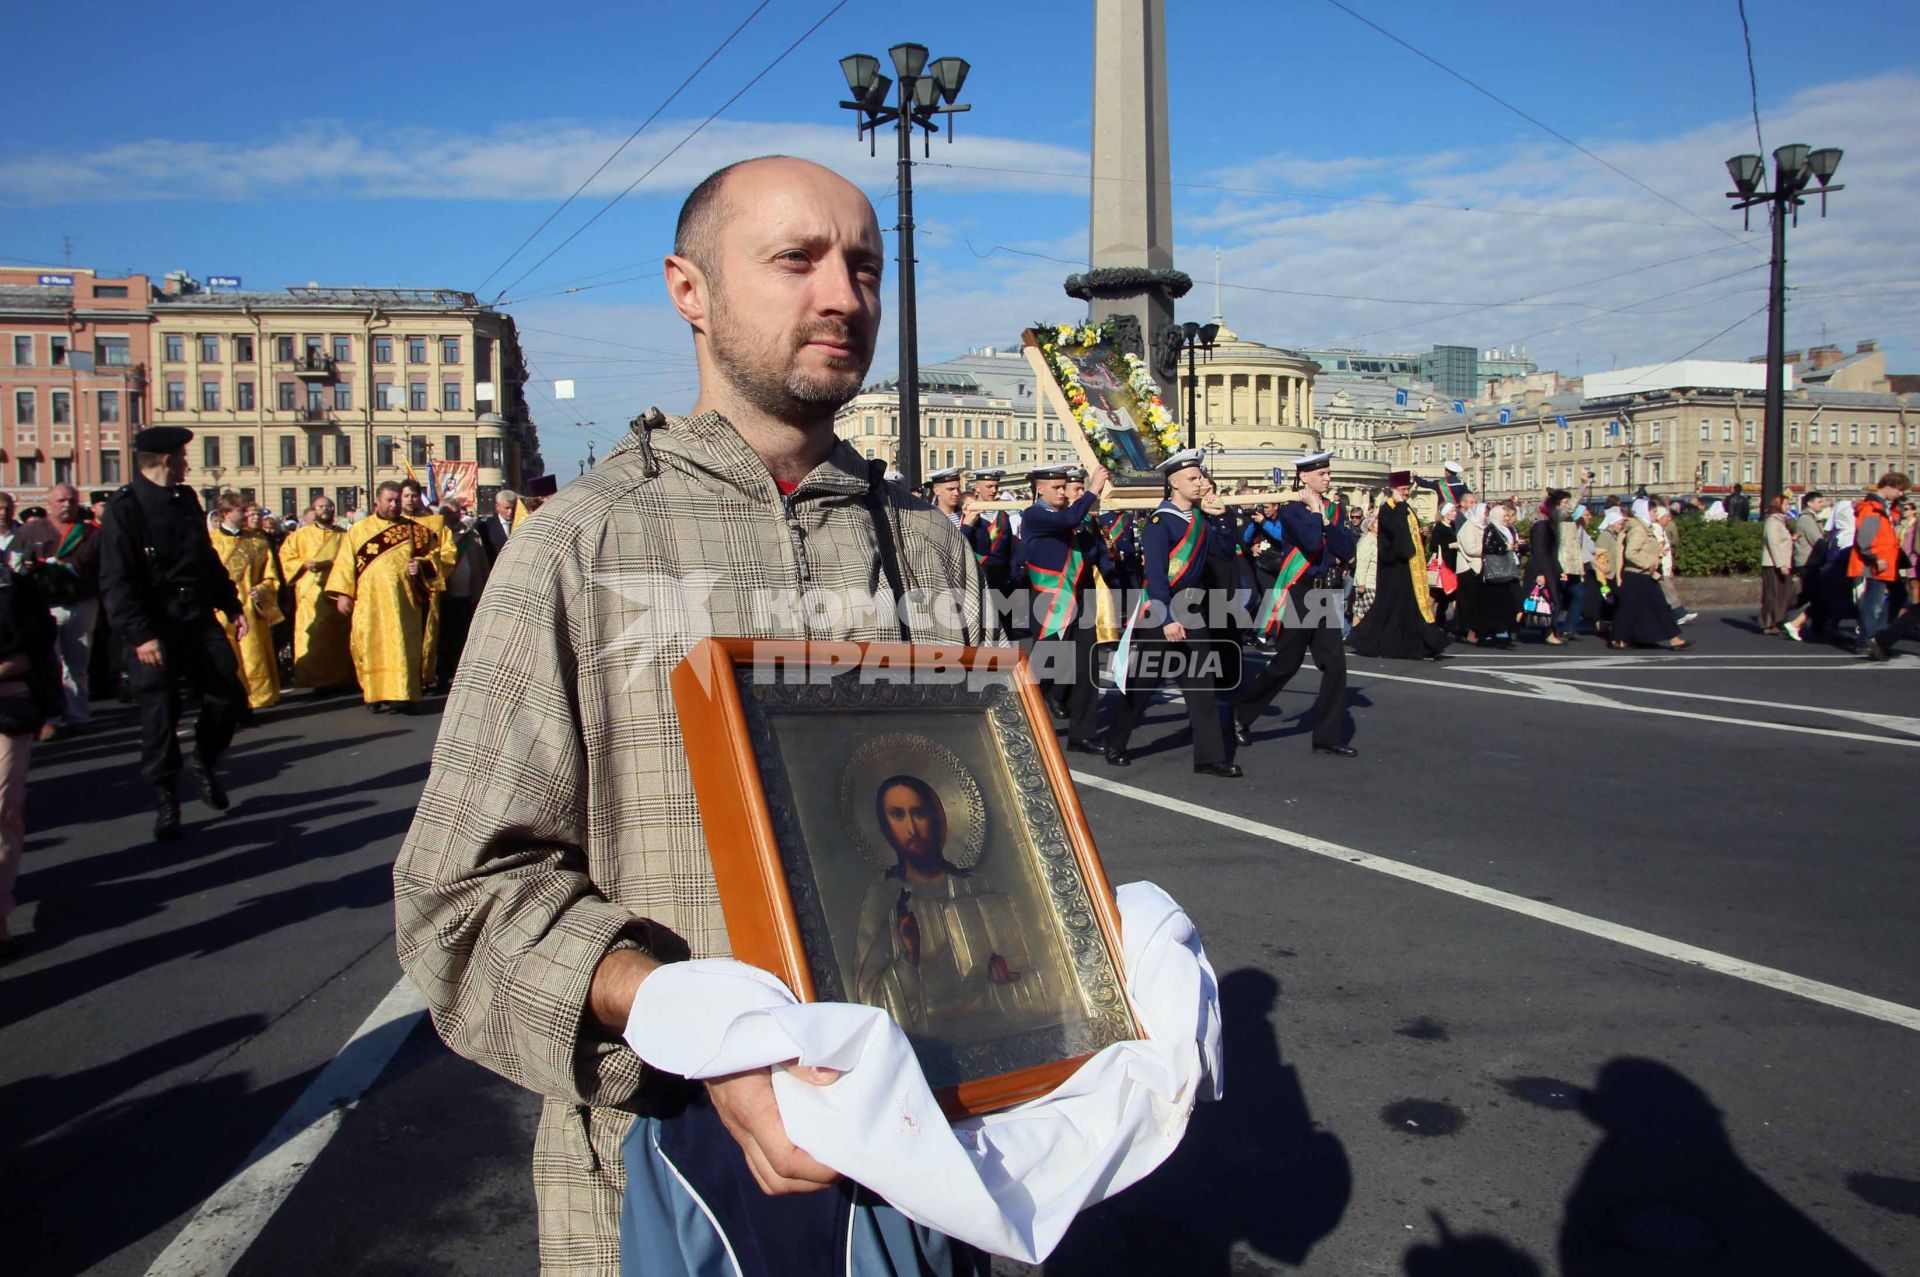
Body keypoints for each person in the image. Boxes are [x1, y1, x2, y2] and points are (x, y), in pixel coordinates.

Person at [392, 156, 995, 1275]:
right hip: (666, 1171)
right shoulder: (581, 544)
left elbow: (990, 840)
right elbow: (462, 900)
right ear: (689, 289)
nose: (844, 296)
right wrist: (685, 1019)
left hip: (918, 1160)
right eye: (795, 259)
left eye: (862, 265)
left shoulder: (928, 540)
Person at [98, 426, 248, 838]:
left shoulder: (186, 500)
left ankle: (203, 758)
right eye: (182, 457)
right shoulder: (124, 508)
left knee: (228, 695)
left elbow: (205, 558)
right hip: (154, 626)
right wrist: (140, 635)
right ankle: (166, 800)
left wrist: (230, 604)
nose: (186, 463)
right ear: (167, 460)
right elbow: (117, 580)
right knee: (161, 716)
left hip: (196, 616)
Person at [852, 774, 1035, 1034]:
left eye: (919, 813)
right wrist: (910, 955)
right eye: (897, 815)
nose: (911, 829)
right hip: (928, 1040)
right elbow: (869, 1000)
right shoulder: (884, 897)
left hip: (994, 1027)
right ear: (885, 826)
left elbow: (1032, 972)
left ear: (937, 817)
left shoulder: (975, 887)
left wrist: (1004, 978)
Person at [1102, 449, 1240, 776]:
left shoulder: (1201, 519)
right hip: (1164, 611)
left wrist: (1221, 517)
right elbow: (1156, 577)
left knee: (1201, 685)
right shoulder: (1159, 522)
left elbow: (1223, 553)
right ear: (1174, 483)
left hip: (1193, 609)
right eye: (1193, 478)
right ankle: (1115, 740)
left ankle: (1210, 758)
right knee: (1144, 684)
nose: (1200, 483)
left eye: (1201, 476)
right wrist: (1167, 619)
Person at [1232, 451, 1358, 757]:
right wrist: (1317, 516)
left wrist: (1326, 520)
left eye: (1329, 473)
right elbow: (1313, 544)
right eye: (1322, 474)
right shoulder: (1293, 511)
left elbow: (1346, 548)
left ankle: (1327, 737)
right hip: (1301, 593)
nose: (1328, 478)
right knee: (1286, 664)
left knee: (1336, 666)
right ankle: (1241, 715)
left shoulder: (1334, 509)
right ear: (1304, 477)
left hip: (1325, 593)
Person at [1019, 462, 1112, 749]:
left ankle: (1082, 733)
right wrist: (1094, 490)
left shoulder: (1076, 517)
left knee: (1087, 668)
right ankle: (1016, 717)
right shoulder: (1034, 515)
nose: (1062, 492)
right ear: (1040, 489)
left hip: (1079, 595)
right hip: (1050, 600)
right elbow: (1066, 523)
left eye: (1064, 487)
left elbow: (1092, 551)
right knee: (1048, 664)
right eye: (1056, 488)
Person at [0, 550, 60, 955]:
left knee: (3, 808)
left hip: (7, 708)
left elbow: (34, 651)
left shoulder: (16, 588)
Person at [327, 481, 431, 714]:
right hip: (369, 602)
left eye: (397, 500)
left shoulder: (415, 530)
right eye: (389, 500)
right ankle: (374, 693)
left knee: (404, 647)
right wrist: (344, 594)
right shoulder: (358, 530)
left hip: (404, 602)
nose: (395, 505)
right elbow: (345, 565)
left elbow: (435, 558)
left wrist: (422, 566)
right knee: (370, 645)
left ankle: (404, 694)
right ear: (377, 502)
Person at [15, 483, 103, 735]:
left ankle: (78, 715)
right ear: (50, 503)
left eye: (71, 501)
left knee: (78, 663)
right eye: (61, 500)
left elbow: (103, 568)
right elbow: (15, 564)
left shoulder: (90, 533)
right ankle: (54, 714)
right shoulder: (32, 530)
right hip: (44, 607)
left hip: (82, 603)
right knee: (51, 663)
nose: (67, 505)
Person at [1347, 471, 1450, 659]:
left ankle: (1414, 644)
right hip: (1396, 568)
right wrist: (1401, 507)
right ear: (1393, 490)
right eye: (1402, 489)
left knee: (1406, 608)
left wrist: (1420, 534)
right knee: (1391, 608)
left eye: (1407, 489)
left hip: (1409, 567)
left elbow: (1408, 534)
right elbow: (1397, 534)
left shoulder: (1405, 507)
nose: (1406, 493)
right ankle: (1371, 640)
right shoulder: (1388, 509)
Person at [211, 491, 284, 710]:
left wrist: (262, 590)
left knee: (253, 655)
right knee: (226, 659)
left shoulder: (258, 541)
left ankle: (256, 697)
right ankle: (231, 701)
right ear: (226, 513)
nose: (246, 515)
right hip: (220, 611)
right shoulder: (211, 541)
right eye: (241, 510)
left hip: (251, 610)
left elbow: (272, 576)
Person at [279, 495, 355, 690]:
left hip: (337, 591)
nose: (325, 510)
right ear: (314, 510)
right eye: (321, 507)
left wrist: (330, 565)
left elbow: (352, 561)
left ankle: (341, 677)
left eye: (329, 507)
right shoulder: (300, 536)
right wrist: (303, 564)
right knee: (314, 636)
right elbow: (286, 559)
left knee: (337, 638)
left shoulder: (345, 536)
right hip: (309, 593)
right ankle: (314, 680)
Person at [1607, 500, 1690, 650]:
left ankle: (1672, 638)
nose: (1655, 515)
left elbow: (1644, 550)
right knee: (1637, 608)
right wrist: (1648, 563)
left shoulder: (1645, 528)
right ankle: (1619, 638)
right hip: (1637, 575)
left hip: (1644, 575)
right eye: (1653, 512)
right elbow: (1631, 553)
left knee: (1651, 607)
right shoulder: (1639, 530)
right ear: (1645, 512)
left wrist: (1657, 555)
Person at [398, 479, 457, 691]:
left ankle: (425, 675)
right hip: (398, 589)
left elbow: (448, 554)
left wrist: (423, 565)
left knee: (427, 632)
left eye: (414, 496)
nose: (410, 500)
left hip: (426, 587)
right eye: (406, 496)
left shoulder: (435, 523)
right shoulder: (391, 525)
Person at [1850, 472, 1911, 654]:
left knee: (1899, 596)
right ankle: (1866, 640)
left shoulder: (1884, 507)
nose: (1900, 494)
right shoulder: (1872, 508)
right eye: (1899, 490)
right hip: (1878, 563)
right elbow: (1864, 539)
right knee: (1874, 603)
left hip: (1887, 563)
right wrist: (1876, 558)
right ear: (1889, 486)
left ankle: (1880, 633)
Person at [437, 499, 491, 688]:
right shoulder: (438, 535)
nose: (453, 516)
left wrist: (484, 585)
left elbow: (483, 562)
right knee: (445, 637)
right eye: (448, 513)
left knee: (464, 635)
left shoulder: (471, 534)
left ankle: (461, 672)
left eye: (456, 512)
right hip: (445, 594)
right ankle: (443, 674)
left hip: (469, 592)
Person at [963, 468, 1019, 634]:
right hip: (980, 577)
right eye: (989, 486)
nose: (994, 490)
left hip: (1002, 579)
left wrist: (1013, 575)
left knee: (1005, 627)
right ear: (977, 487)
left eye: (996, 486)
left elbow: (1010, 548)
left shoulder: (1003, 516)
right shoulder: (970, 515)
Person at [1527, 489, 1573, 647]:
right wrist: (1539, 572)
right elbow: (1539, 550)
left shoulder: (1548, 523)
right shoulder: (1541, 525)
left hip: (1550, 565)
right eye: (1562, 505)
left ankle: (1551, 631)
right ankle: (1548, 633)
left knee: (1553, 599)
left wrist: (1560, 570)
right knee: (1549, 600)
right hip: (1543, 566)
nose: (1563, 509)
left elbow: (1552, 551)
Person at [1780, 491, 1828, 642]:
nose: (1823, 504)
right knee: (1816, 595)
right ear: (1810, 503)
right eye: (1819, 501)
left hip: (1809, 561)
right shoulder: (1807, 519)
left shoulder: (1812, 518)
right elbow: (1818, 540)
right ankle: (1785, 615)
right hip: (1808, 561)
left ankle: (1781, 612)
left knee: (1807, 595)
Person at [1476, 501, 1523, 647]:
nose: (1506, 518)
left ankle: (1502, 633)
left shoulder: (1504, 529)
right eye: (1504, 515)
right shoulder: (1491, 528)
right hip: (1495, 573)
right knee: (1496, 604)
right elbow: (1488, 547)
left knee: (1505, 604)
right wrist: (1505, 547)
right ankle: (1494, 635)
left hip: (1505, 571)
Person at [1759, 494, 1796, 635]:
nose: (1788, 507)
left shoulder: (1781, 521)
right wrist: (1781, 565)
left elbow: (1781, 541)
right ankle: (1768, 623)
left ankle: (1777, 620)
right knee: (1772, 594)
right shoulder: (1772, 521)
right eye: (1786, 504)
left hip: (1783, 563)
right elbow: (1773, 544)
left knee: (1784, 593)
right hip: (1773, 564)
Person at [477, 488, 517, 563]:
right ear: (497, 507)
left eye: (513, 508)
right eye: (506, 508)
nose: (510, 512)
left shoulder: (522, 523)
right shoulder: (485, 527)